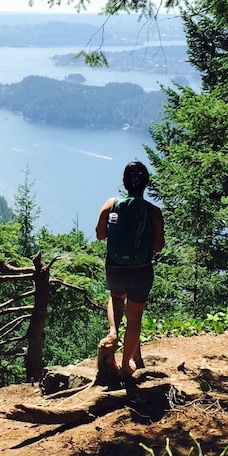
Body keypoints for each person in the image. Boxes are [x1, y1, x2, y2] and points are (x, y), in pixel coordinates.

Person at [95, 161, 164, 378]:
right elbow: (158, 247)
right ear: (146, 184)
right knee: (134, 319)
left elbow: (100, 235)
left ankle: (113, 333)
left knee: (116, 298)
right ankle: (126, 365)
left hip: (115, 268)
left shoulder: (111, 204)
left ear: (124, 183)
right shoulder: (153, 212)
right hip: (141, 270)